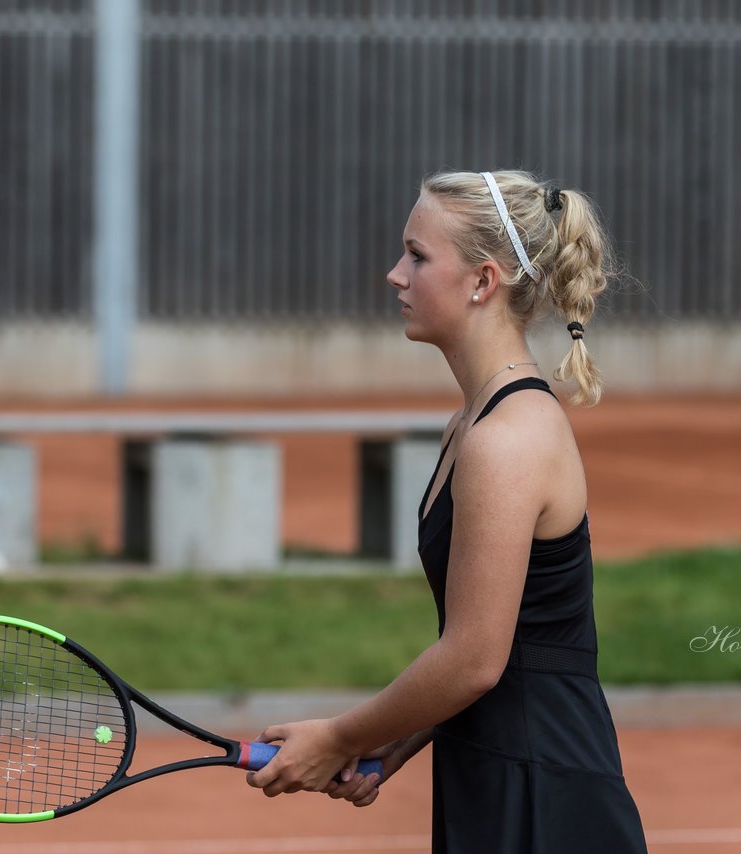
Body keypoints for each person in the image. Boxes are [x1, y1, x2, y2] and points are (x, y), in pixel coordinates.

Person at [245, 170, 648, 853]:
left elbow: (475, 660)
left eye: (418, 255)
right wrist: (392, 739)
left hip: (543, 785)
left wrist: (343, 736)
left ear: (482, 281)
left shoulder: (505, 439)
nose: (395, 275)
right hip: (498, 768)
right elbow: (514, 643)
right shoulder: (472, 425)